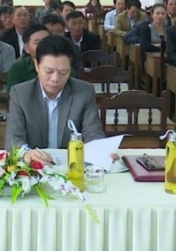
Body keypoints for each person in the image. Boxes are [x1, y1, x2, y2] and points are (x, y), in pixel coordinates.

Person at [6, 35, 105, 163]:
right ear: (36, 65)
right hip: (35, 168)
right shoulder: (20, 94)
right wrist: (27, 154)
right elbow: (14, 138)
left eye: (63, 72)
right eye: (49, 71)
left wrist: (100, 150)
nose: (55, 79)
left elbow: (93, 133)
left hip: (71, 165)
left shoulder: (84, 92)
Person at [6, 24, 50, 93]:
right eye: (38, 43)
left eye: (47, 42)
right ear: (27, 48)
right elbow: (14, 97)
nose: (43, 46)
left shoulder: (63, 67)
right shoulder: (17, 68)